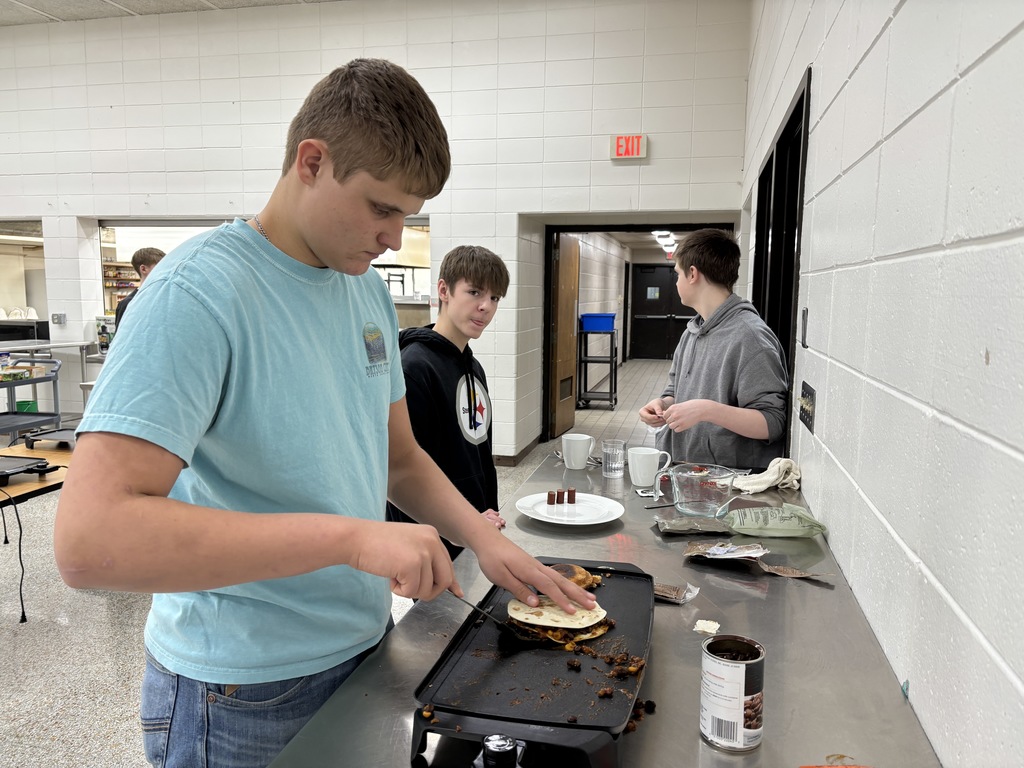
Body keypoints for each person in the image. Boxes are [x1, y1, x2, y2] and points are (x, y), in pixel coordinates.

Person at [53, 59, 594, 768]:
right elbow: (90, 540)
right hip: (239, 689)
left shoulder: (363, 291)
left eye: (408, 214)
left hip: (364, 648)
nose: (395, 236)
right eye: (381, 208)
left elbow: (398, 458)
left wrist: (483, 542)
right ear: (312, 163)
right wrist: (352, 540)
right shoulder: (198, 293)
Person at [386, 245, 509, 561]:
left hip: (476, 528)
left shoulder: (472, 366)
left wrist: (481, 518)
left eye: (495, 298)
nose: (485, 306)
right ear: (444, 291)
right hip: (430, 542)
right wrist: (462, 523)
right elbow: (403, 474)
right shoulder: (413, 368)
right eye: (475, 292)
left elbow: (475, 455)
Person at [638, 228, 788, 471]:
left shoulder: (751, 337)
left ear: (693, 274)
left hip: (727, 481)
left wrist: (707, 410)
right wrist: (663, 405)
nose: (676, 282)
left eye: (677, 274)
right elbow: (676, 390)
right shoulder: (691, 332)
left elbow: (772, 422)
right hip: (685, 470)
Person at [113, 246, 165, 329]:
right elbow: (122, 335)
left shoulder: (165, 298)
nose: (165, 271)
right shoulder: (128, 304)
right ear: (143, 269)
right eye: (160, 267)